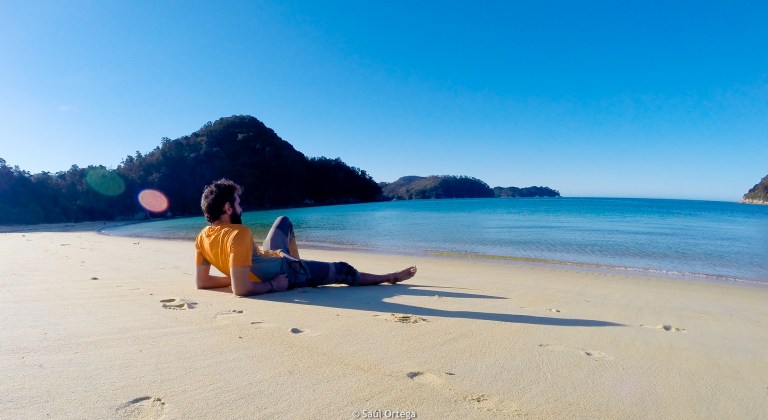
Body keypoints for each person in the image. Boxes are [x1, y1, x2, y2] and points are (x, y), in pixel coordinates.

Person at [195, 178, 417, 296]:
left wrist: (237, 277)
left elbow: (202, 282)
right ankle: (388, 277)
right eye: (238, 203)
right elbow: (241, 290)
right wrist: (272, 285)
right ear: (227, 208)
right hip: (283, 272)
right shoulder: (239, 233)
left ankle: (300, 265)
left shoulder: (201, 238)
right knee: (343, 270)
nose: (241, 208)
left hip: (275, 257)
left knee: (284, 220)